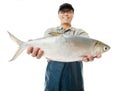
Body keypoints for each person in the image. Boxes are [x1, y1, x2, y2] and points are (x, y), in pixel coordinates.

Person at [27, 3, 101, 91]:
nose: (66, 14)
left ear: (73, 15)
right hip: (52, 75)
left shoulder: (81, 33)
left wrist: (92, 53)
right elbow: (46, 49)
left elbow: (87, 46)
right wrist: (35, 48)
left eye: (69, 12)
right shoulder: (50, 31)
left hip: (74, 75)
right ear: (58, 15)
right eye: (63, 12)